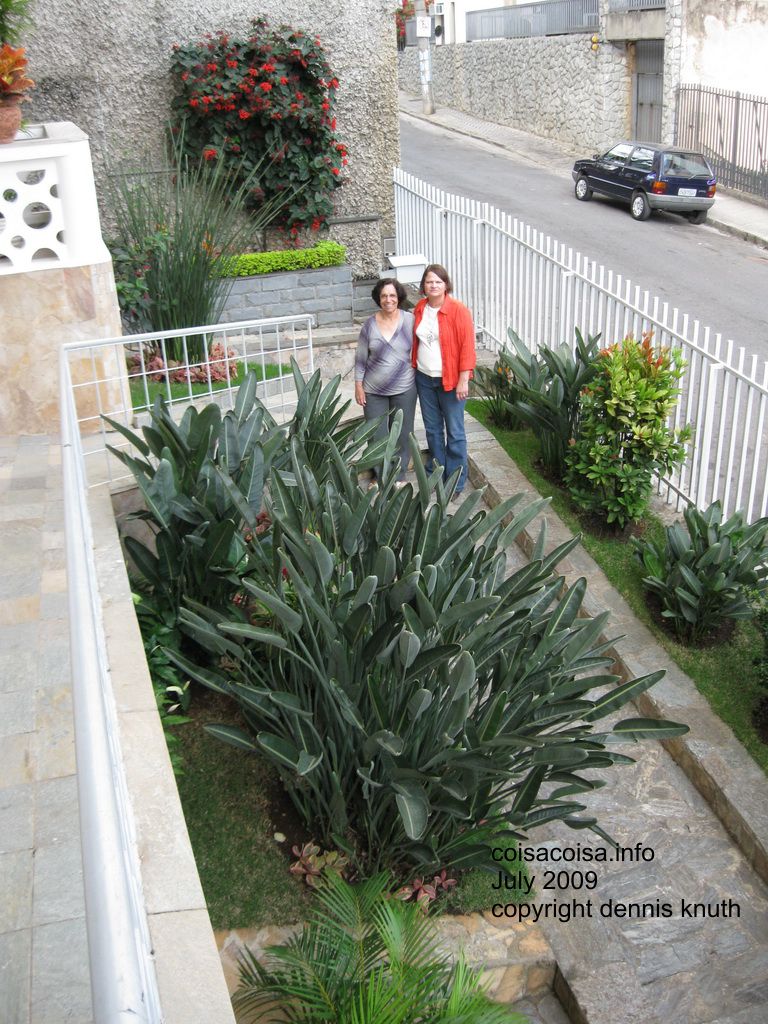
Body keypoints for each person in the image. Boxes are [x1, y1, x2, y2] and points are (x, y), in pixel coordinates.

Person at [411, 264, 476, 498]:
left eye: (438, 281)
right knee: (432, 430)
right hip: (424, 378)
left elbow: (467, 346)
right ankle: (436, 473)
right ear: (423, 285)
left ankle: (455, 481)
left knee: (455, 432)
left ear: (446, 284)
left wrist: (463, 379)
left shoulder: (458, 310)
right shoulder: (420, 308)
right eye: (429, 282)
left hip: (450, 380)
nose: (433, 285)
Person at [354, 277, 417, 484]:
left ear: (399, 297)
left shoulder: (410, 321)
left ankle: (398, 476)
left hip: (405, 388)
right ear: (378, 299)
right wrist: (358, 386)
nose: (388, 300)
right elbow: (361, 358)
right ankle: (380, 477)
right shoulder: (369, 325)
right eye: (383, 296)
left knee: (403, 434)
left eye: (392, 295)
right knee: (376, 436)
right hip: (373, 391)